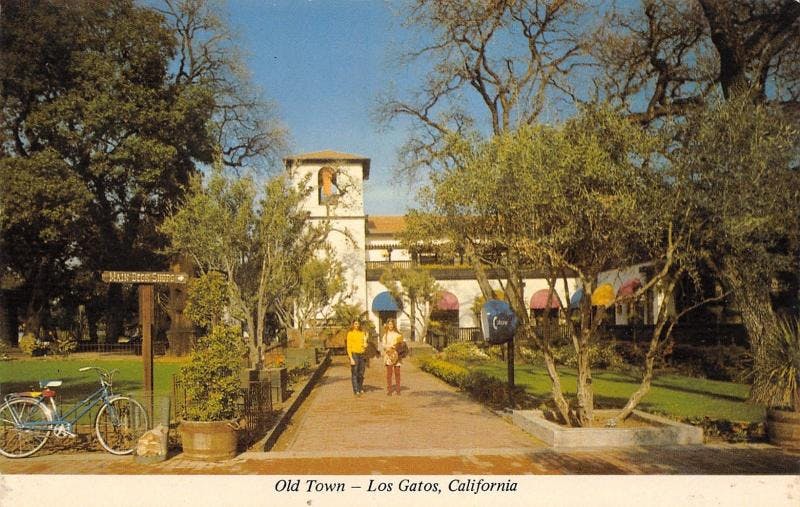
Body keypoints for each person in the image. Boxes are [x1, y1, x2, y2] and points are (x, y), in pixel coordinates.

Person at [381, 319, 404, 395]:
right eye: (389, 324)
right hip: (389, 355)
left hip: (396, 355)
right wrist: (388, 349)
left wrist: (395, 348)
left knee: (397, 373)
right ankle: (389, 390)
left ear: (394, 325)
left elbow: (400, 344)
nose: (390, 326)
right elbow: (384, 345)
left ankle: (398, 389)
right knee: (389, 374)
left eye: (392, 324)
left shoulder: (398, 334)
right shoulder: (385, 335)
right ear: (387, 325)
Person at [346, 320, 367, 395]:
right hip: (354, 354)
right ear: (353, 324)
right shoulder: (350, 333)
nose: (357, 325)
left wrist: (365, 345)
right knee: (355, 372)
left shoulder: (362, 333)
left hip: (362, 354)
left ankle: (360, 387)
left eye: (358, 324)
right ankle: (356, 390)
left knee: (361, 372)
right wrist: (351, 358)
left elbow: (364, 344)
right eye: (355, 323)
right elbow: (348, 346)